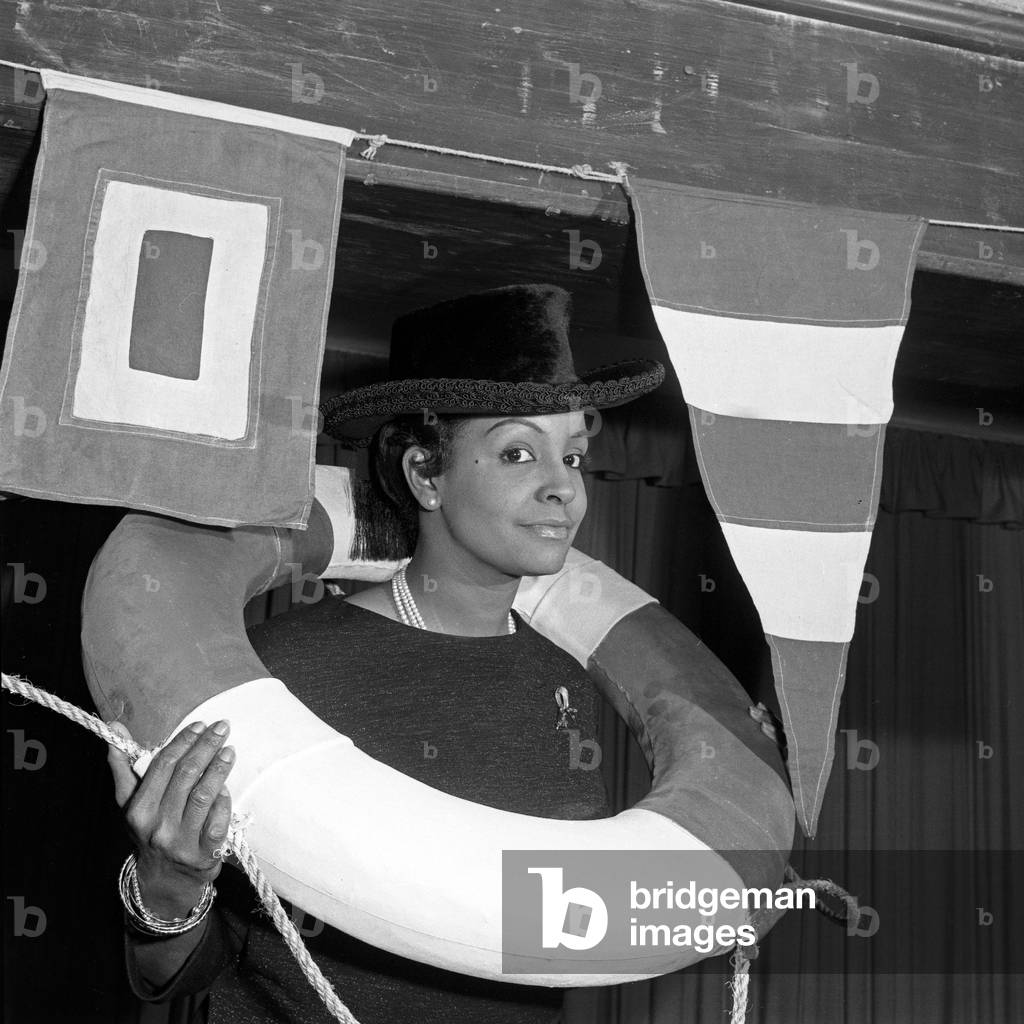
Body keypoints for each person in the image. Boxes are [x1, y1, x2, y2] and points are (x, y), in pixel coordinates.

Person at [105, 284, 781, 1023]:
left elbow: (550, 933)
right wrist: (167, 886)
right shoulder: (278, 670)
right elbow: (173, 978)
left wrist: (721, 882)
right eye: (520, 452)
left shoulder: (565, 682)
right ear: (426, 474)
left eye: (575, 456)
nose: (562, 487)